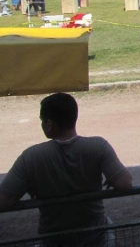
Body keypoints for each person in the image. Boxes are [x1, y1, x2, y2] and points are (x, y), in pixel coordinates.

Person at [0, 93, 132, 243]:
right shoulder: (98, 146)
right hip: (94, 239)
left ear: (49, 124)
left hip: (53, 240)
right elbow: (125, 183)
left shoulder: (31, 156)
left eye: (42, 121)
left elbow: (4, 200)